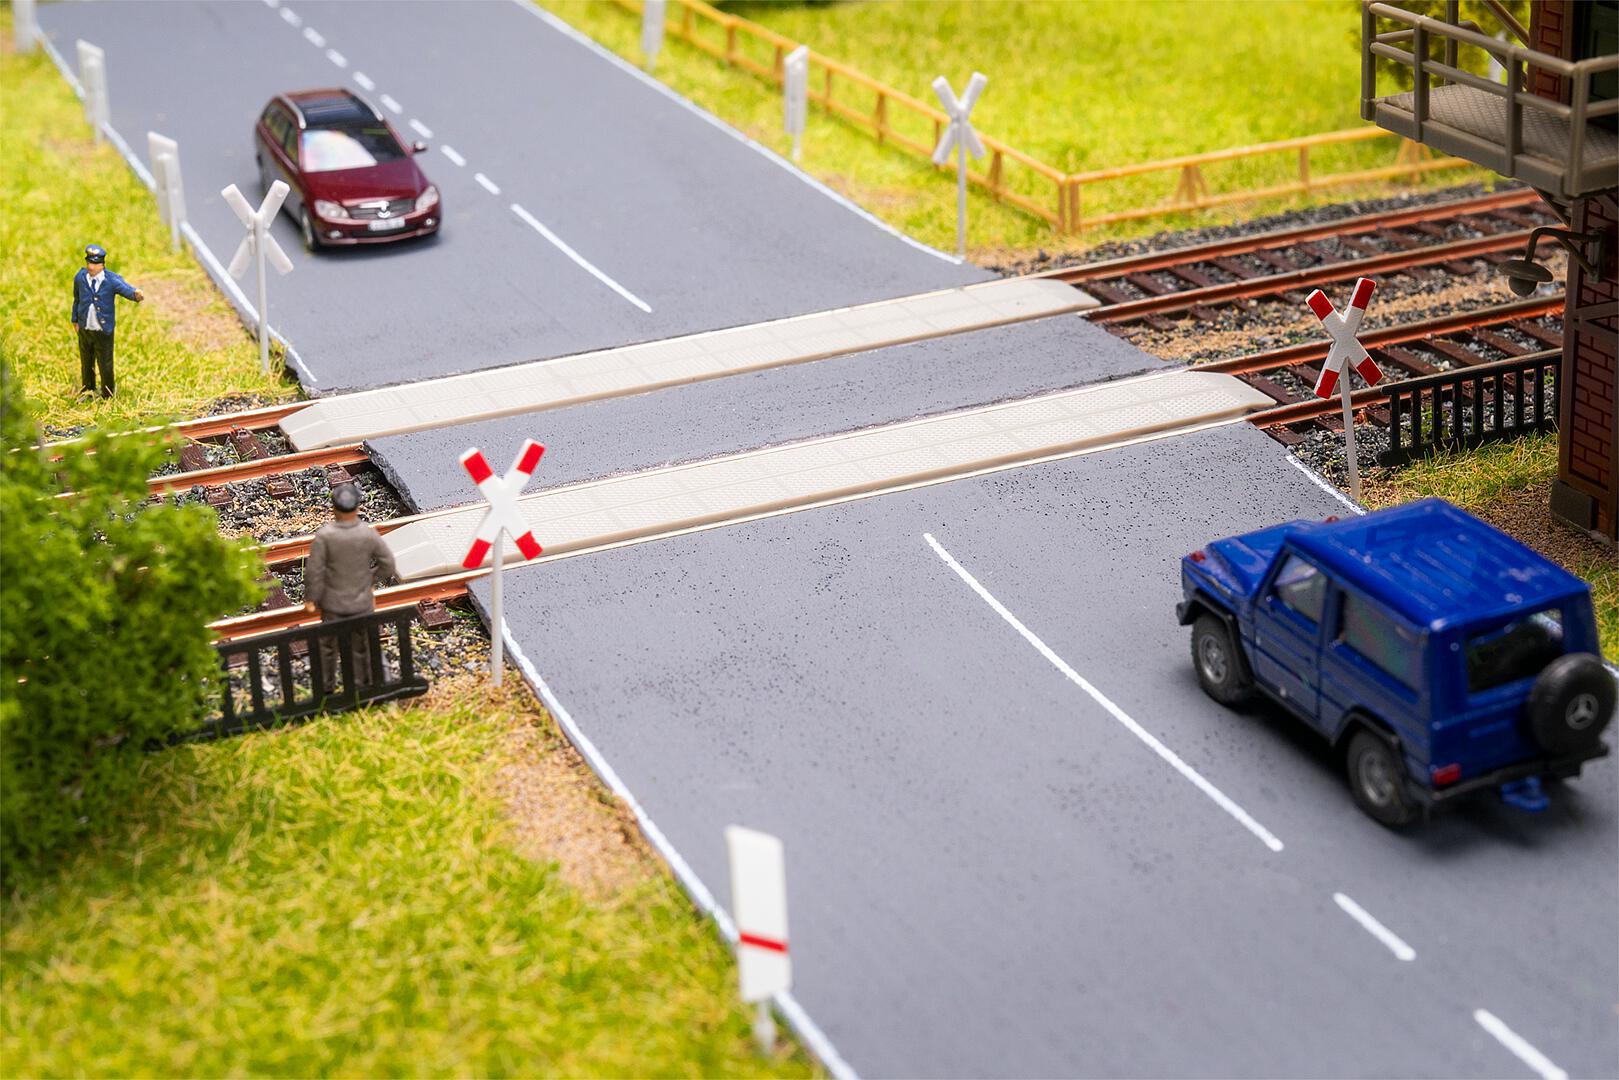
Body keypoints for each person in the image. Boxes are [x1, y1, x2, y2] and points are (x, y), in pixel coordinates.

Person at [304, 484, 397, 693]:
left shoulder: (325, 536)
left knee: (327, 647)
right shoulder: (367, 534)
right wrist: (369, 580)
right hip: (362, 604)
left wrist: (311, 599)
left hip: (333, 605)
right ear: (356, 508)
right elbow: (388, 565)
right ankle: (361, 686)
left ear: (334, 508)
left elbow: (314, 571)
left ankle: (326, 688)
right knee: (361, 645)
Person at [70, 244, 145, 399]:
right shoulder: (80, 278)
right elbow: (77, 300)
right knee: (86, 360)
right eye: (89, 263)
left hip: (103, 330)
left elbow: (124, 288)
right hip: (85, 328)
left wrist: (135, 294)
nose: (91, 267)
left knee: (105, 364)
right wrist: (75, 320)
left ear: (102, 265)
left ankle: (107, 393)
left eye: (95, 264)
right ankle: (88, 389)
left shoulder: (110, 280)